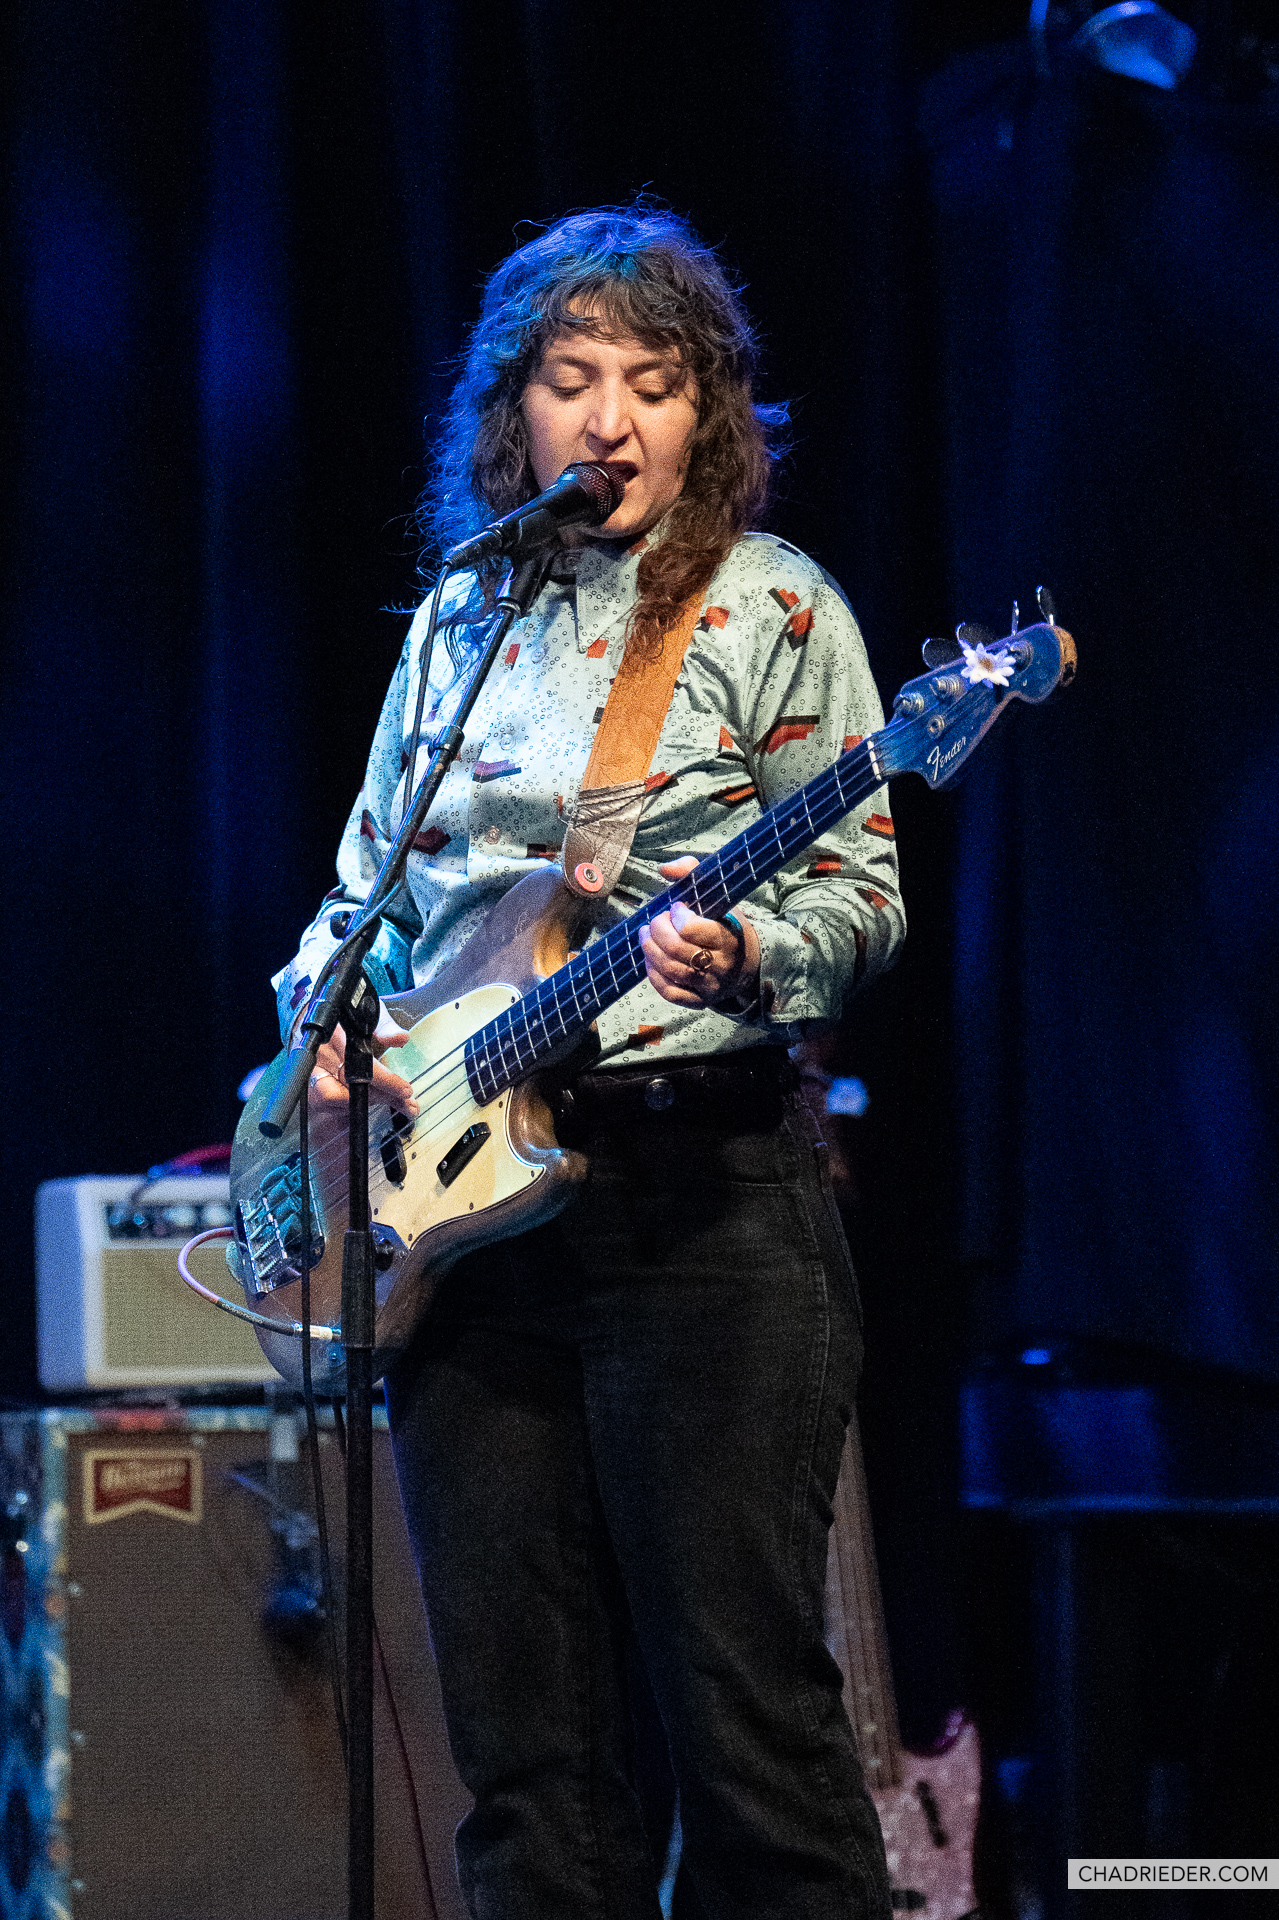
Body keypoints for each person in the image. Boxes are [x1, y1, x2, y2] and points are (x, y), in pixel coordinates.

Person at [273, 206, 904, 1920]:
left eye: (654, 382)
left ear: (710, 412)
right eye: (571, 379)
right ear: (516, 409)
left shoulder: (775, 608)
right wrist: (325, 1035)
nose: (610, 421)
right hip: (466, 1237)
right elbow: (360, 898)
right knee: (527, 1769)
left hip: (704, 1213)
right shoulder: (462, 617)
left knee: (749, 1738)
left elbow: (861, 897)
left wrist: (751, 953)